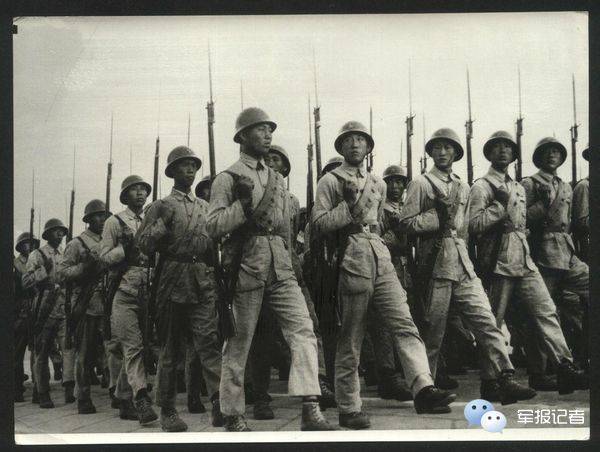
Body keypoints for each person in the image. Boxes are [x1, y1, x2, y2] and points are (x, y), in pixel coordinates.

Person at [312, 120, 455, 430]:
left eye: (360, 140)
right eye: (349, 140)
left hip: (379, 253)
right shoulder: (330, 182)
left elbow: (377, 223)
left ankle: (423, 387)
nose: (354, 144)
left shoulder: (378, 183)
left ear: (368, 147)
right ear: (341, 146)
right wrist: (348, 206)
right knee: (352, 334)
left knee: (404, 322)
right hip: (351, 255)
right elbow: (319, 224)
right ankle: (349, 406)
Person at [207, 107, 337, 432]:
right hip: (246, 265)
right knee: (239, 341)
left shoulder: (277, 179)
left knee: (304, 331)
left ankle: (310, 406)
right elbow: (213, 226)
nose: (268, 135)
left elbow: (283, 229)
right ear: (242, 136)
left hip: (281, 266)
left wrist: (293, 265)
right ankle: (232, 413)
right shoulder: (228, 178)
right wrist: (242, 206)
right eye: (260, 129)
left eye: (270, 130)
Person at [399, 128, 536, 405]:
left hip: (462, 264)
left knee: (486, 320)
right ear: (431, 152)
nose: (442, 152)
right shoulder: (421, 183)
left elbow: (464, 231)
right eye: (437, 147)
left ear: (456, 153)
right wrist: (436, 218)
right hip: (435, 264)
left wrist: (474, 261)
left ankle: (505, 376)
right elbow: (406, 223)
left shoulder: (463, 187)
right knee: (433, 331)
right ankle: (426, 388)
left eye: (448, 147)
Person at [468, 131, 587, 395]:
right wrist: (499, 208)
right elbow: (473, 225)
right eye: (497, 147)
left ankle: (564, 366)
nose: (503, 151)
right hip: (498, 260)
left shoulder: (518, 187)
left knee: (546, 310)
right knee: (493, 321)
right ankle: (491, 380)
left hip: (524, 258)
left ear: (514, 155)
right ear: (489, 154)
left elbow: (523, 224)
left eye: (508, 147)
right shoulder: (482, 186)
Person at [137, 145, 224, 432]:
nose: (190, 169)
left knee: (209, 343)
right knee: (170, 348)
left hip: (201, 279)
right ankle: (167, 409)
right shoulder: (161, 205)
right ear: (172, 171)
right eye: (184, 165)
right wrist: (159, 227)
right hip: (172, 278)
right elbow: (142, 245)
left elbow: (212, 246)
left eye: (193, 165)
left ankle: (219, 401)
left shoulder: (205, 207)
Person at [521, 137, 590, 389]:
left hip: (566, 251)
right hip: (543, 253)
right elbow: (521, 217)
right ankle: (539, 373)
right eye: (547, 152)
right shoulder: (529, 183)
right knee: (542, 312)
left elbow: (569, 222)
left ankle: (580, 357)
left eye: (556, 152)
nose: (552, 155)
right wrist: (542, 205)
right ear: (539, 157)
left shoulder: (565, 186)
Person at [100, 175, 157, 424]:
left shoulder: (150, 220)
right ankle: (141, 398)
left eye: (143, 189)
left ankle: (123, 397)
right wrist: (125, 248)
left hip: (148, 292)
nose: (140, 193)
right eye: (135, 190)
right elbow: (104, 257)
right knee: (132, 346)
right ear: (125, 195)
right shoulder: (114, 222)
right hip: (123, 292)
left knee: (139, 347)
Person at [58, 199, 111, 414]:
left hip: (108, 302)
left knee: (112, 351)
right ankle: (83, 397)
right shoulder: (77, 244)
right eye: (98, 216)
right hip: (86, 303)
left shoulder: (109, 240)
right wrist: (84, 267)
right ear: (89, 219)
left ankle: (117, 392)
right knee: (85, 354)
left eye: (104, 215)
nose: (102, 219)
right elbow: (62, 273)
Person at [22, 218, 76, 408]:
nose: (60, 234)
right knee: (42, 351)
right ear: (47, 234)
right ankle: (42, 391)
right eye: (56, 231)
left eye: (62, 231)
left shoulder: (65, 253)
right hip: (44, 307)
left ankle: (69, 387)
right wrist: (43, 271)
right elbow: (26, 282)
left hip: (63, 307)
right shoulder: (37, 255)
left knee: (69, 348)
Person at [14, 232, 40, 402]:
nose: (30, 246)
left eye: (33, 243)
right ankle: (16, 388)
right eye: (27, 243)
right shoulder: (16, 264)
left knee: (37, 350)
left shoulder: (37, 260)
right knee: (18, 352)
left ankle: (39, 388)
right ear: (20, 246)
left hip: (37, 308)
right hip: (22, 312)